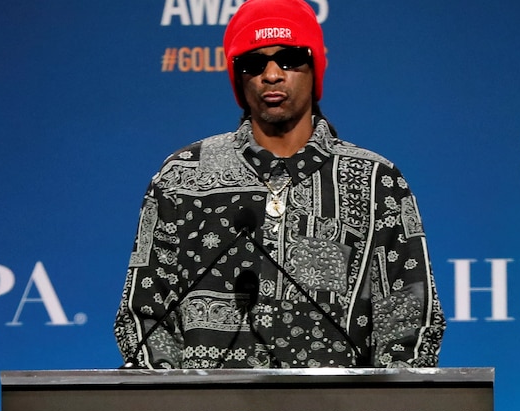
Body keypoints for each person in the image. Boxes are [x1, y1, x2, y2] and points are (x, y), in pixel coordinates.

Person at [114, 0, 445, 369]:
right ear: (239, 78)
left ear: (315, 68)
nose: (271, 74)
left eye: (289, 58)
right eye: (254, 63)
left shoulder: (375, 181)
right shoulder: (182, 178)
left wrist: (383, 410)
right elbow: (144, 313)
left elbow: (408, 318)